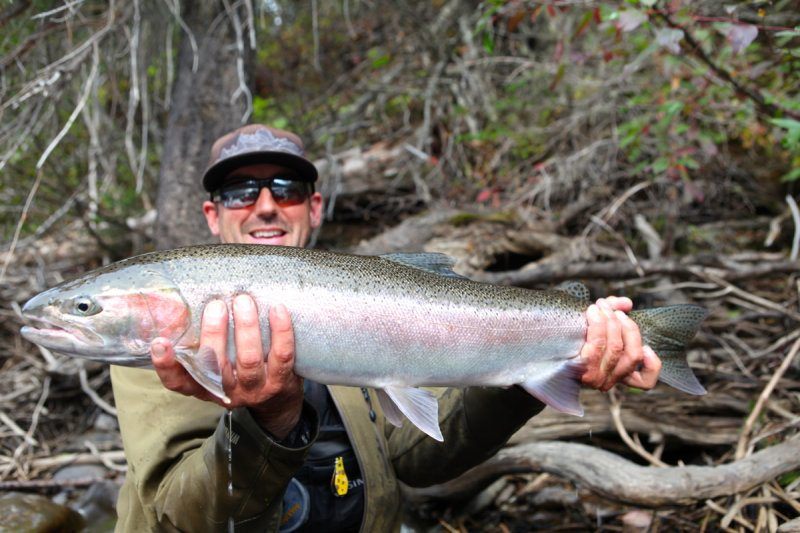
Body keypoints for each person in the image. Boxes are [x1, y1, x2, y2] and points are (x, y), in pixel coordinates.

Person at [110, 124, 662, 532]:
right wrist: (269, 422)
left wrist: (538, 371)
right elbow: (179, 516)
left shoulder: (365, 305)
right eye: (239, 192)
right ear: (213, 215)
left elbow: (417, 459)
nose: (265, 206)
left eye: (286, 188)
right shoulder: (157, 353)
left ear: (314, 206)